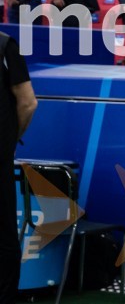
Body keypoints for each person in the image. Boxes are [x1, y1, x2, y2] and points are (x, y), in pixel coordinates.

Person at [0, 31, 37, 304]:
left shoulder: (6, 45)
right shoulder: (5, 44)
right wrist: (12, 137)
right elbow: (27, 102)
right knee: (3, 235)